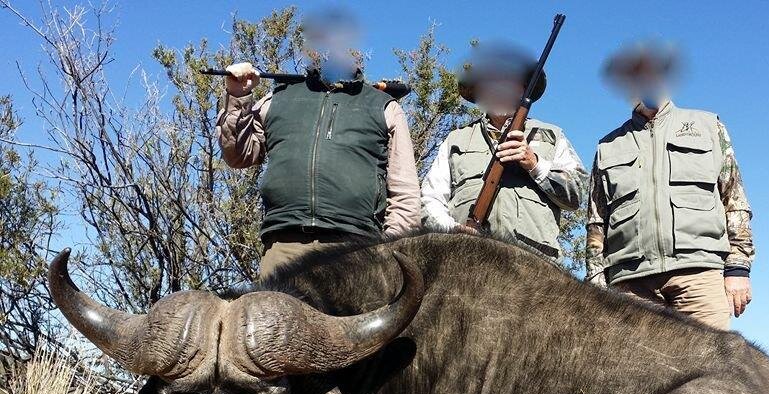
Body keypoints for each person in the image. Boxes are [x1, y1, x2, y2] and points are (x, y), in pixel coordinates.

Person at [216, 10, 420, 278]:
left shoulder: (384, 107)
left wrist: (386, 252)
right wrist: (238, 95)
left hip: (356, 251)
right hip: (282, 249)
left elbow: (405, 195)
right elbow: (239, 155)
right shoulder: (276, 100)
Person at [586, 42, 755, 330]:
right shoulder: (607, 146)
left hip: (699, 275)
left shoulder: (708, 126)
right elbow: (596, 221)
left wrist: (738, 267)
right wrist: (596, 286)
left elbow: (734, 199)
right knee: (635, 375)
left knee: (712, 371)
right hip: (630, 287)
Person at [421, 44, 587, 260]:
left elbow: (576, 194)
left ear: (523, 89)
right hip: (466, 262)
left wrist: (535, 164)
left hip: (536, 268)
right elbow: (430, 200)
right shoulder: (455, 140)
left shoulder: (552, 136)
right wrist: (452, 231)